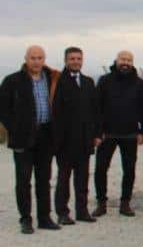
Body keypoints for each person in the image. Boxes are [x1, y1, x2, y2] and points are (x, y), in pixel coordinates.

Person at [0, 46, 60, 233]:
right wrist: (15, 128)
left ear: (44, 59)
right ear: (26, 59)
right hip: (23, 137)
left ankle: (45, 218)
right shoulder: (13, 81)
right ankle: (26, 219)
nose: (36, 61)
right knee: (23, 179)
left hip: (46, 135)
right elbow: (3, 109)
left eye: (40, 58)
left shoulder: (51, 79)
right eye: (33, 58)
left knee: (44, 179)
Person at [94, 50, 143, 217]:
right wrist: (98, 131)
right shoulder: (104, 81)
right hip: (107, 134)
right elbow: (96, 107)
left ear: (132, 63)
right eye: (123, 59)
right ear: (116, 60)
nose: (126, 62)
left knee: (129, 170)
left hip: (130, 134)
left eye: (129, 60)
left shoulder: (139, 83)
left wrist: (142, 131)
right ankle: (101, 203)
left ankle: (125, 203)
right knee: (101, 169)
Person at [52, 47, 100, 224]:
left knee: (83, 178)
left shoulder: (88, 82)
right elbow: (56, 113)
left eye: (79, 58)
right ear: (66, 61)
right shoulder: (59, 82)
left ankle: (82, 210)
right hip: (65, 142)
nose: (76, 61)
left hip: (85, 140)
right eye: (72, 58)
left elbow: (95, 111)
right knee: (64, 179)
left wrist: (96, 134)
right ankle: (62, 213)